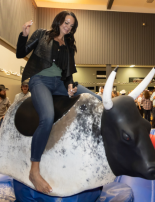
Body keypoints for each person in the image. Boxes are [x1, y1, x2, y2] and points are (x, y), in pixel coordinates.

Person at [16, 11, 102, 194]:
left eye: (72, 25)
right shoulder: (42, 34)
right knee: (47, 118)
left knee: (96, 98)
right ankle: (34, 170)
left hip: (60, 84)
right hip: (40, 80)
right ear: (59, 21)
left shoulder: (69, 46)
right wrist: (24, 34)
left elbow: (69, 74)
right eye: (66, 22)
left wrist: (70, 87)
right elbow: (20, 53)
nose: (68, 27)